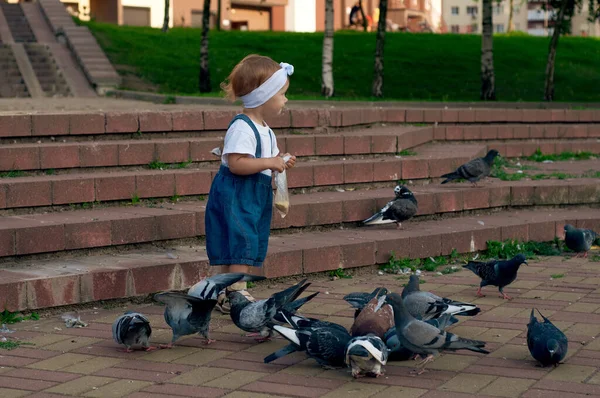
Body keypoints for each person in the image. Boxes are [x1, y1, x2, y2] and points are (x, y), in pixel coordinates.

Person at [205, 54, 297, 314]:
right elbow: (236, 163)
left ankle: (223, 290)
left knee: (247, 240)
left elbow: (269, 159)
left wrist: (281, 161)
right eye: (282, 94)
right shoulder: (243, 127)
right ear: (263, 97)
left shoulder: (266, 129)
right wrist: (269, 162)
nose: (285, 100)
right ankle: (236, 290)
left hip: (254, 194)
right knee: (240, 241)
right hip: (237, 193)